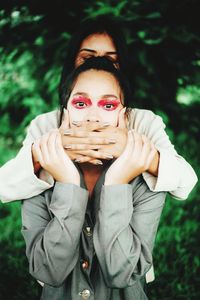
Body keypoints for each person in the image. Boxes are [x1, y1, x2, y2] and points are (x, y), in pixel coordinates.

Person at [0, 16, 197, 203]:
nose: (99, 65)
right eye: (87, 58)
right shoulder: (46, 125)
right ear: (71, 64)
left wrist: (136, 151)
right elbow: (5, 187)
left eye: (111, 60)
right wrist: (43, 154)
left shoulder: (144, 122)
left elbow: (185, 184)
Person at [21, 56, 166, 300]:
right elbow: (47, 271)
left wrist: (118, 181)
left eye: (108, 106)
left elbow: (124, 274)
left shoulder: (147, 180)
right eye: (80, 103)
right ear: (64, 111)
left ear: (125, 115)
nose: (93, 118)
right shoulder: (39, 176)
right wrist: (67, 180)